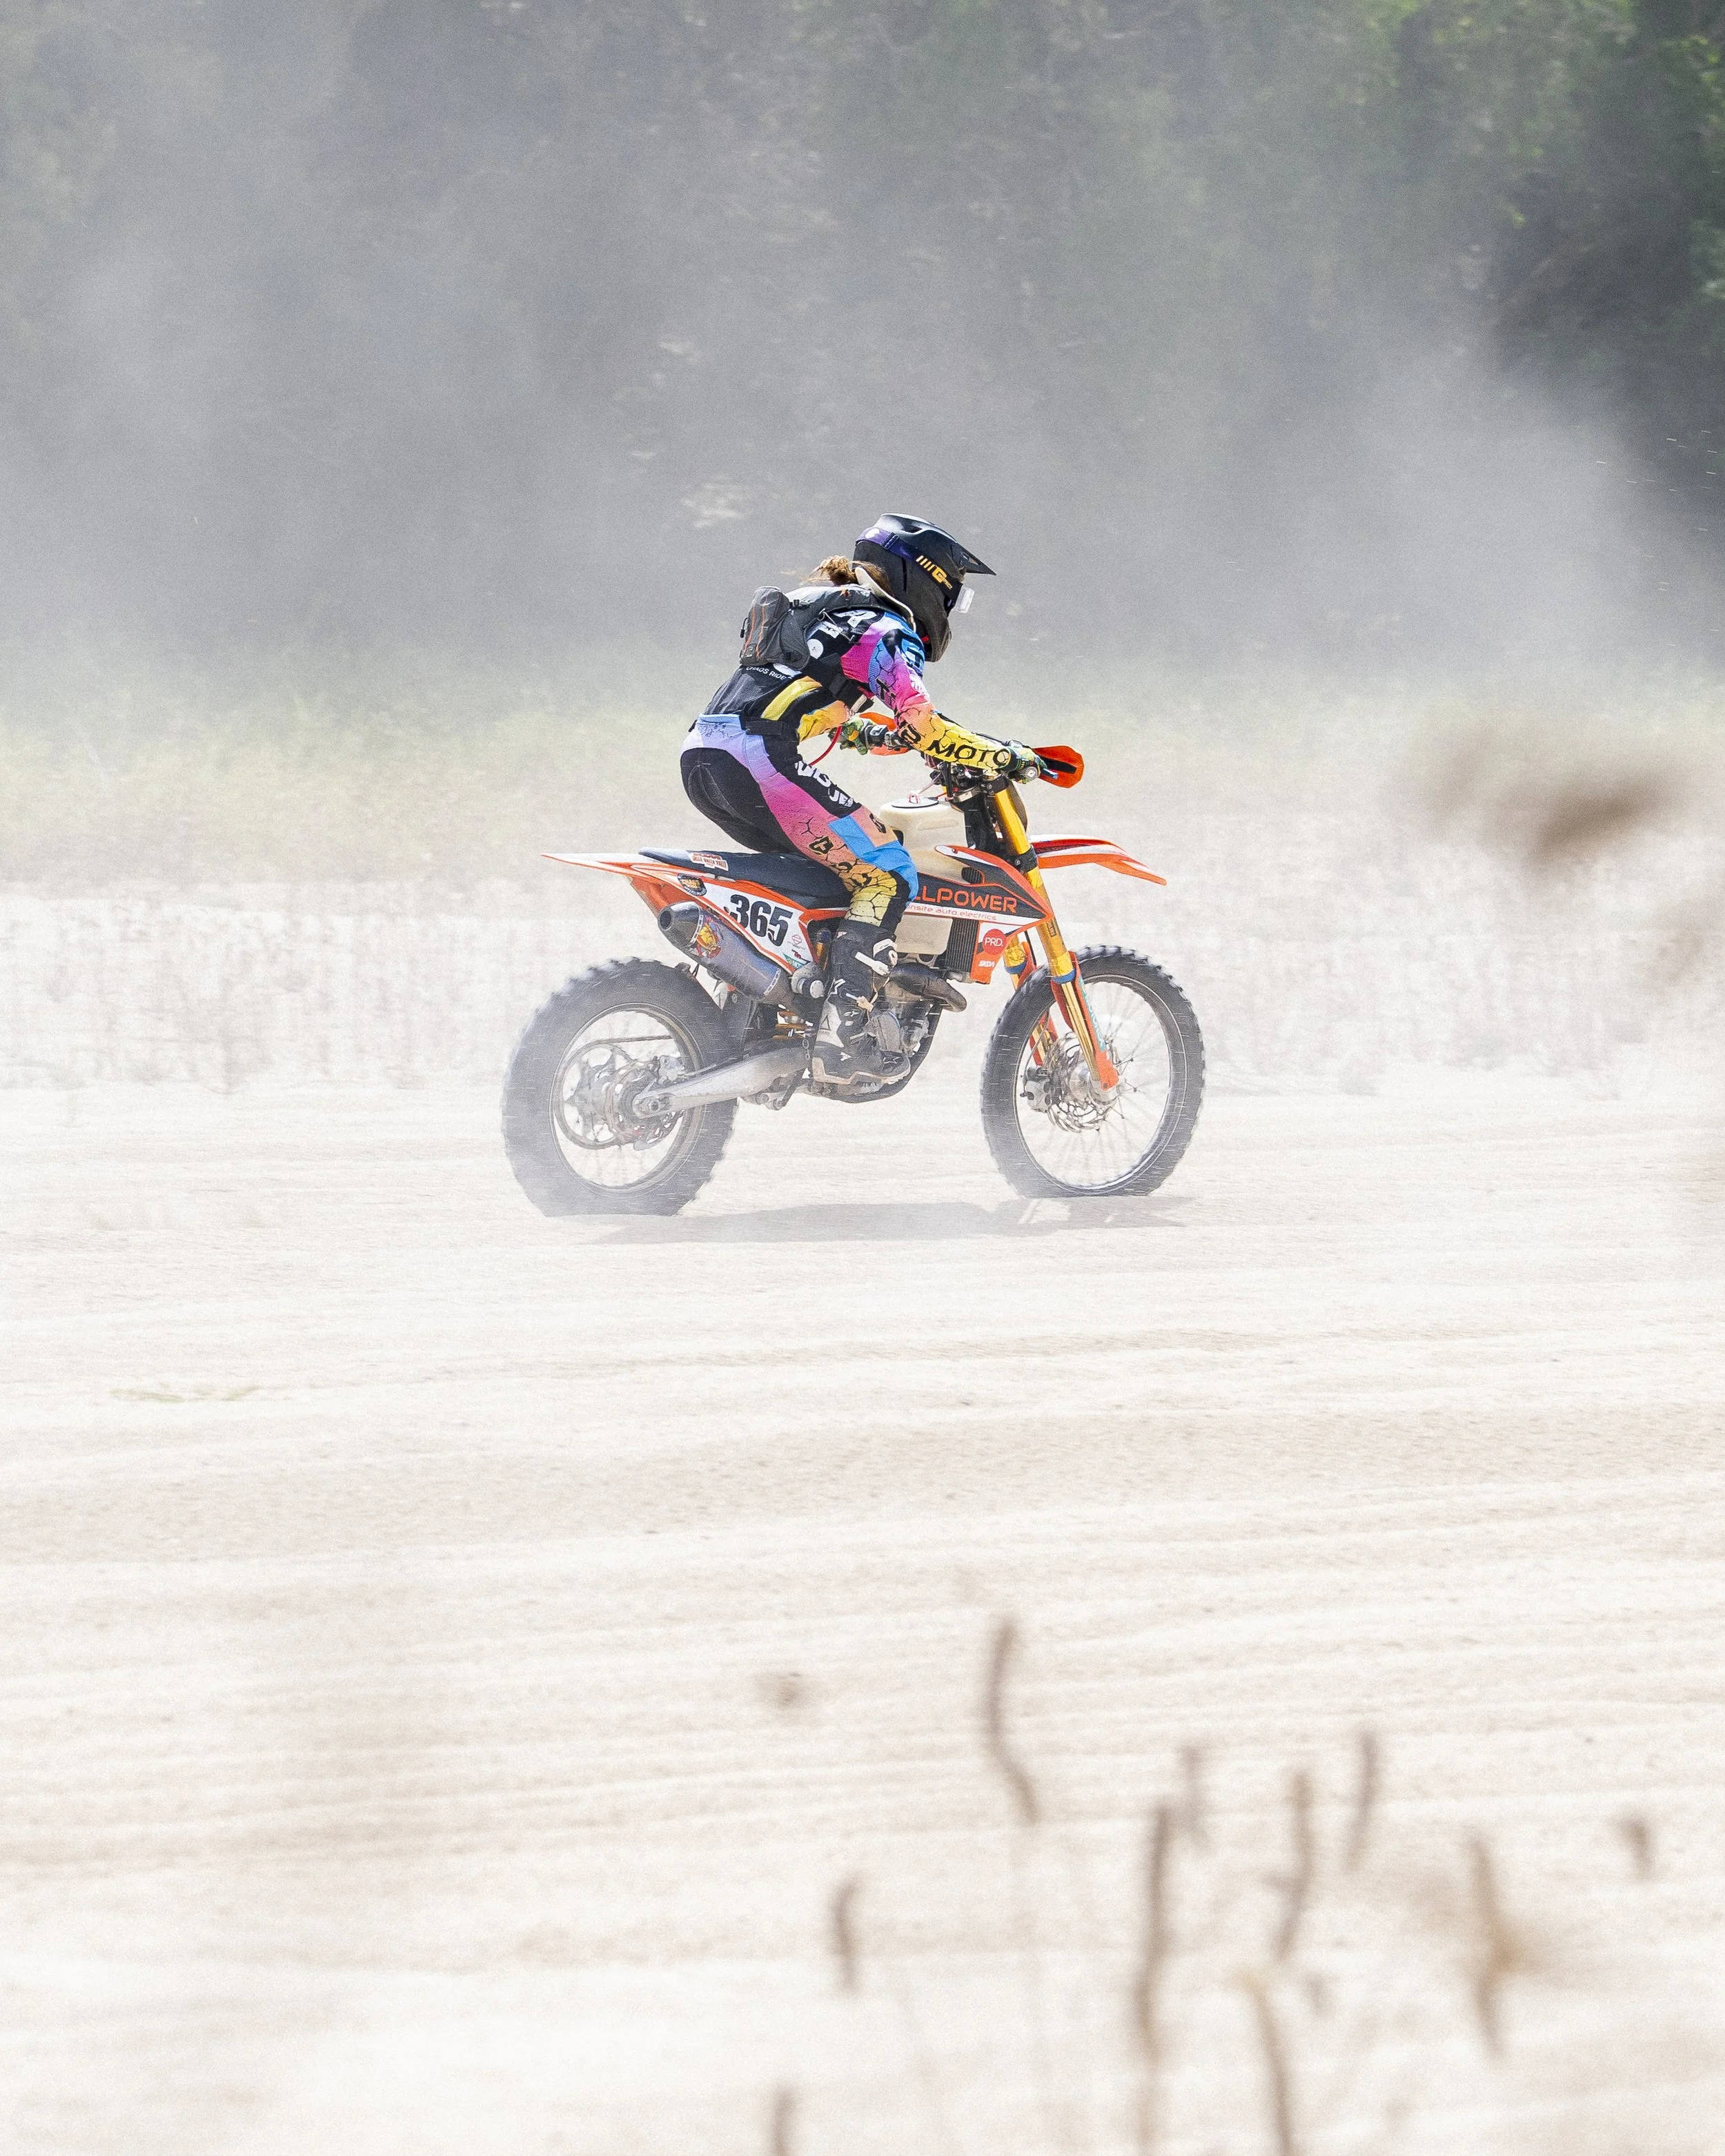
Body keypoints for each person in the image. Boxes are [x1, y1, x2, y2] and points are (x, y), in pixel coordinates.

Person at [682, 513, 1045, 1088]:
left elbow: (798, 696)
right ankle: (840, 1037)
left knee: (815, 874)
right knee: (889, 871)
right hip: (760, 759)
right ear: (923, 581)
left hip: (704, 754)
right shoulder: (887, 629)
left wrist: (868, 734)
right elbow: (924, 725)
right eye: (949, 594)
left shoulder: (820, 604)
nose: (947, 610)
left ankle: (761, 1001)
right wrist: (1005, 756)